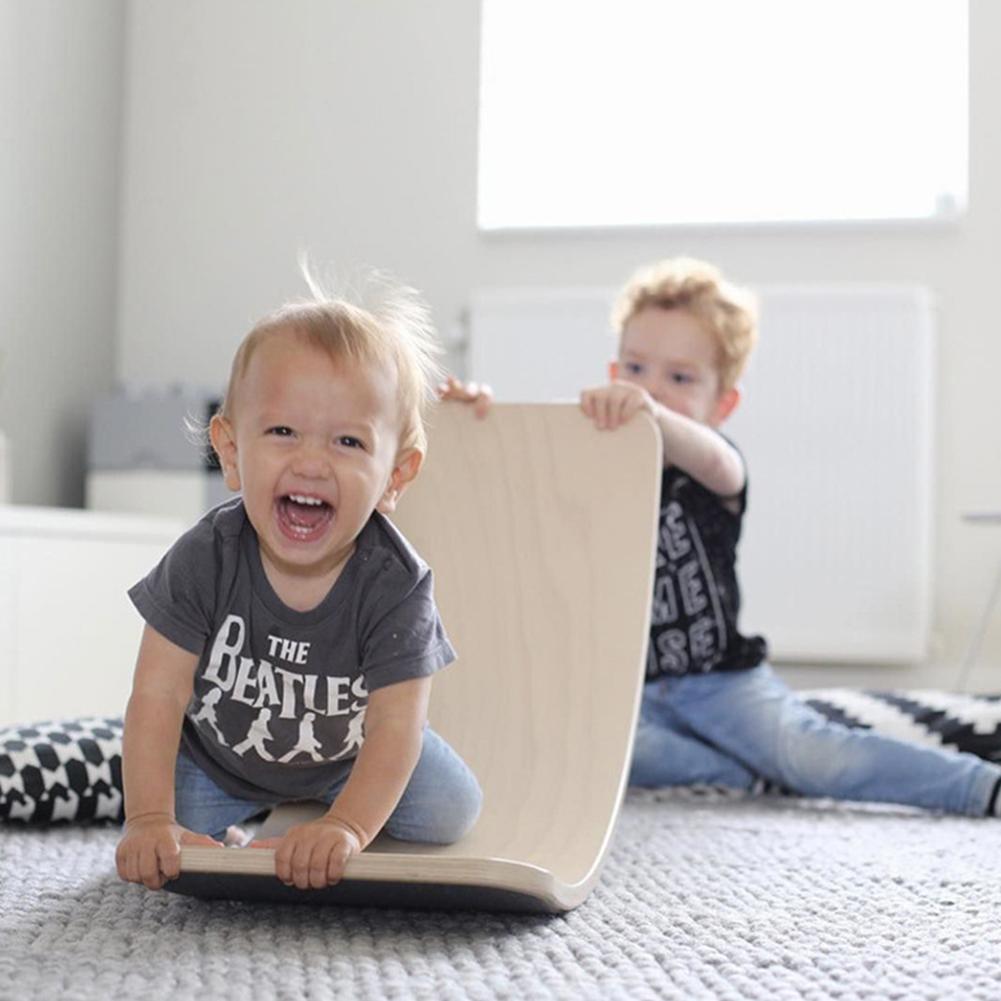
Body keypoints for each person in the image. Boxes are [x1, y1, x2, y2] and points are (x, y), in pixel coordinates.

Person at [443, 257, 1001, 818]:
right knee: (582, 751)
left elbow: (715, 460)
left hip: (721, 681)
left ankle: (978, 785)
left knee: (812, 756)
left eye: (680, 378)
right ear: (615, 375)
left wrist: (655, 418)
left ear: (722, 405)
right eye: (635, 368)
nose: (651, 389)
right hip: (629, 691)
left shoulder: (713, 467)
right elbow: (514, 472)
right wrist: (472, 421)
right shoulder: (593, 462)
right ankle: (739, 774)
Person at [116, 271, 483, 892]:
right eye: (283, 432)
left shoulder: (397, 585)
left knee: (454, 809)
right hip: (221, 762)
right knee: (161, 826)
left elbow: (396, 725)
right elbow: (156, 696)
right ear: (231, 452)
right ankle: (244, 812)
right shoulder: (204, 558)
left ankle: (316, 809)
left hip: (347, 760)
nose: (311, 462)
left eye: (347, 441)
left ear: (395, 476)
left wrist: (347, 826)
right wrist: (147, 817)